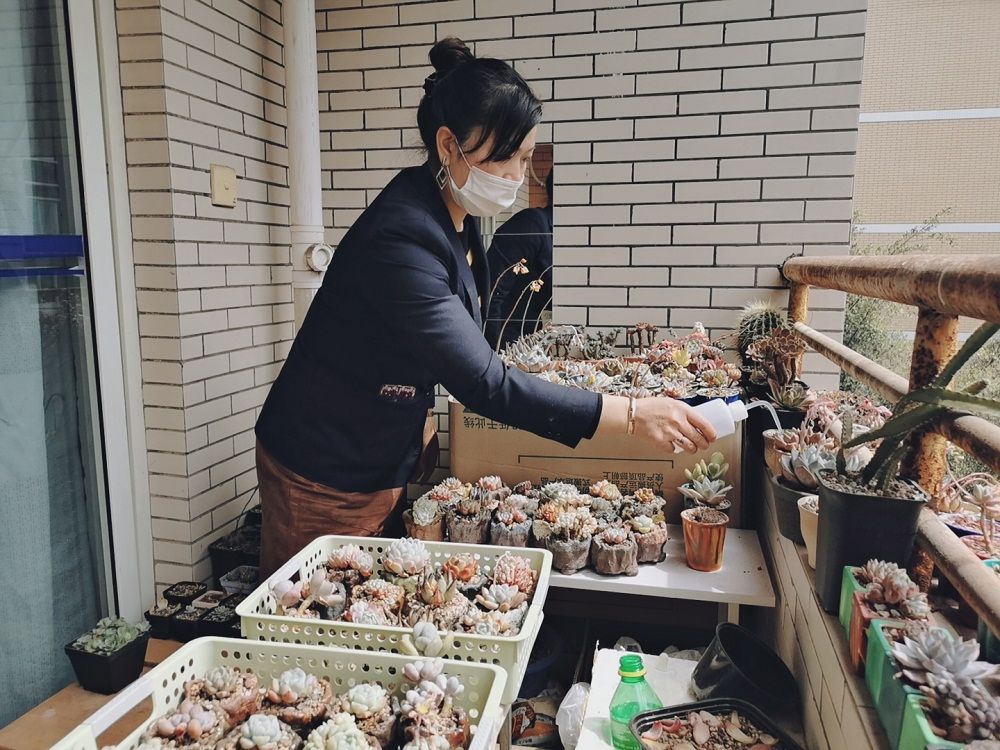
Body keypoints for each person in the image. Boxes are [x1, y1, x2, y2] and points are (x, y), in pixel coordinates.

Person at [254, 38, 717, 575]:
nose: (519, 177)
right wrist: (631, 415)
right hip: (322, 468)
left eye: (526, 158)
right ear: (448, 145)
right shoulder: (402, 236)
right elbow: (484, 383)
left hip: (376, 454)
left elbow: (444, 339)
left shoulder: (455, 214)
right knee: (312, 609)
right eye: (508, 158)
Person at [485, 168, 553, 350]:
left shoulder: (569, 239)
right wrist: (494, 350)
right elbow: (492, 290)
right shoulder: (532, 224)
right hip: (511, 342)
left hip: (539, 344)